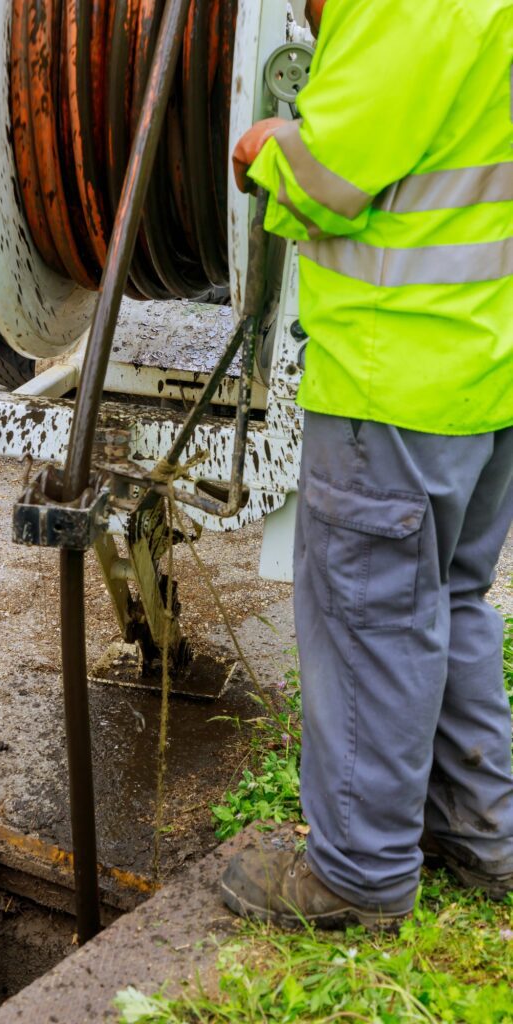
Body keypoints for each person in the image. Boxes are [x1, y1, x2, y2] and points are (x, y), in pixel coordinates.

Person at [221, 0, 513, 930]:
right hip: (486, 374)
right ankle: (481, 833)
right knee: (448, 601)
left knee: (369, 621)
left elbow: (325, 181)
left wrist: (268, 147)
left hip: (392, 380)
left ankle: (358, 876)